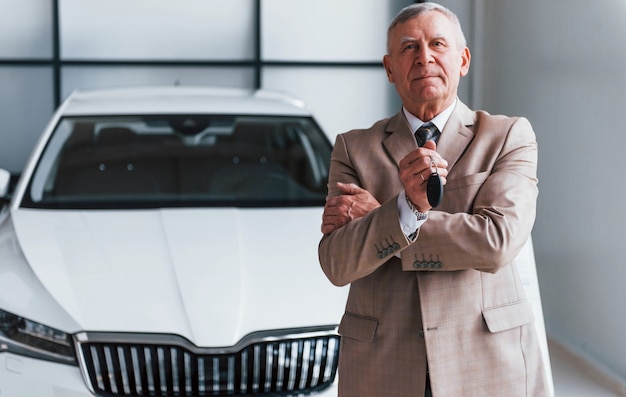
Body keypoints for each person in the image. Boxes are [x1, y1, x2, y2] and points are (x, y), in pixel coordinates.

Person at [318, 2, 550, 396]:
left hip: (486, 362)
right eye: (409, 47)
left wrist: (391, 218)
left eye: (437, 44)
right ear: (390, 68)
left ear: (462, 60)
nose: (424, 57)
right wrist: (403, 210)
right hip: (383, 367)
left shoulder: (507, 136)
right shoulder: (353, 148)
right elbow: (337, 264)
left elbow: (495, 242)